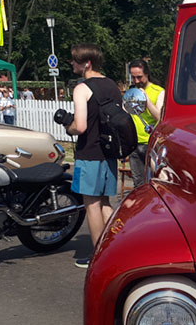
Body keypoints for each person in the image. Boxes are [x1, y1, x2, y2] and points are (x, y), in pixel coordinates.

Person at [62, 43, 121, 268]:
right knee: (105, 202)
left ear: (87, 63)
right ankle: (115, 248)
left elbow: (81, 126)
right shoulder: (112, 86)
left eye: (75, 60)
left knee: (92, 205)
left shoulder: (82, 88)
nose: (72, 63)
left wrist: (68, 126)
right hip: (109, 152)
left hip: (90, 153)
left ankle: (98, 258)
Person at [127, 59, 165, 188]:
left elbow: (159, 117)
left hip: (151, 143)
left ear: (147, 74)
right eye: (133, 77)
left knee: (155, 182)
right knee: (138, 184)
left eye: (139, 77)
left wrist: (146, 100)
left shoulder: (158, 91)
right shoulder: (132, 92)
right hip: (134, 143)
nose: (136, 81)